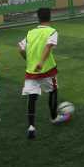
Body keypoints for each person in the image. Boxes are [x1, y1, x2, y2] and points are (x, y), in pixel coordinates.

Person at [18, 8, 61, 139]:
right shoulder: (52, 31)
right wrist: (41, 62)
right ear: (50, 17)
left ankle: (31, 127)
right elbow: (48, 47)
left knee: (32, 97)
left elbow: (20, 48)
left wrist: (29, 61)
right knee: (53, 91)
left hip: (30, 71)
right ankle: (54, 117)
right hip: (47, 69)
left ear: (38, 18)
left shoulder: (30, 32)